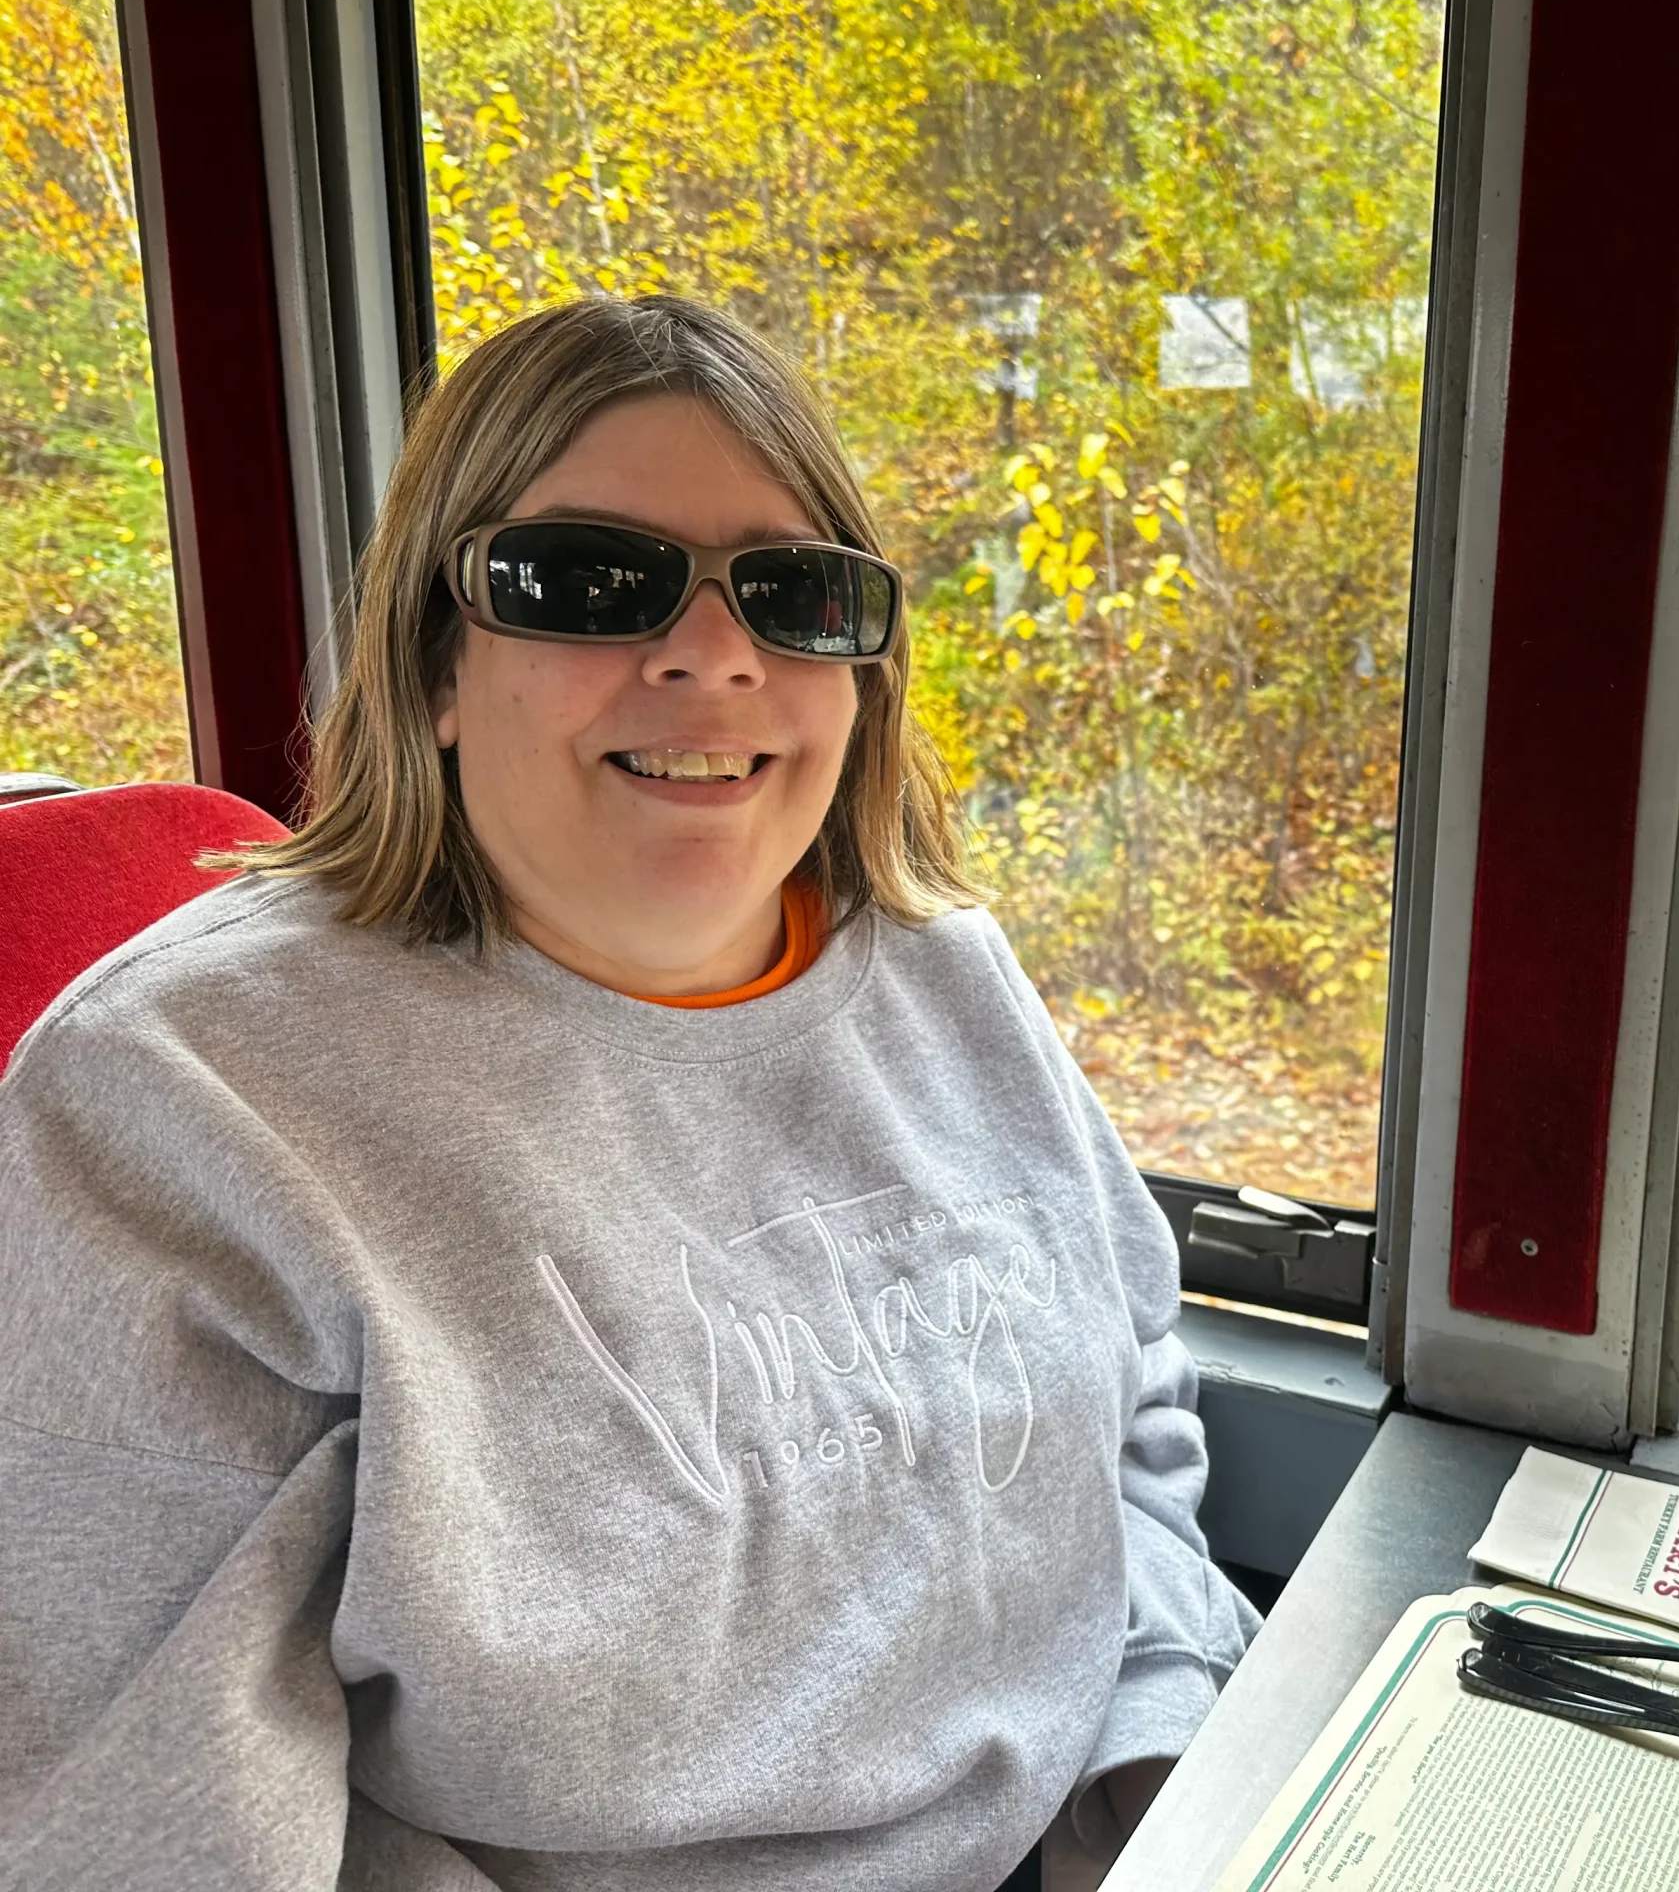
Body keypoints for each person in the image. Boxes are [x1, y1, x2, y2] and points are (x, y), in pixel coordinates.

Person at [0, 294, 1257, 1891]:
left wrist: (1154, 1765)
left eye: (798, 596)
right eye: (590, 582)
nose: (714, 654)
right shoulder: (178, 1108)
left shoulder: (954, 978)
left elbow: (1131, 1383)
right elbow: (144, 1810)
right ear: (437, 665)